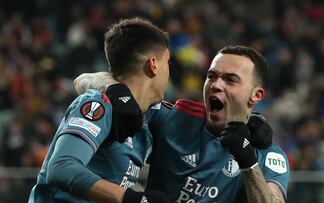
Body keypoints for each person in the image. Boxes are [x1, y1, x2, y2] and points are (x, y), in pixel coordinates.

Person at [75, 45, 290, 202]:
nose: (216, 85)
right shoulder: (175, 118)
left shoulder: (267, 154)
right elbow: (84, 80)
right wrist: (116, 91)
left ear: (256, 95)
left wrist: (248, 162)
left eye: (230, 80)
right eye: (212, 76)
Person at [28, 17, 174, 203]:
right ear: (153, 65)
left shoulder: (150, 118)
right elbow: (61, 168)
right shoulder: (100, 103)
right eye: (167, 62)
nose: (169, 72)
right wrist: (134, 199)